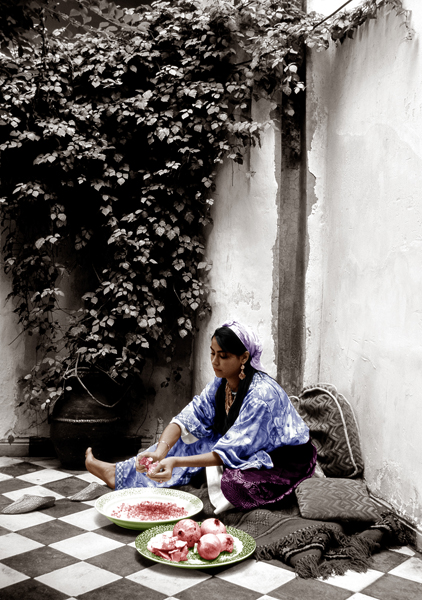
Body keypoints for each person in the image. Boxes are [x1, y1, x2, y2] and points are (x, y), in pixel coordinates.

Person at [85, 319, 317, 511]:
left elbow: (231, 450)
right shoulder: (220, 384)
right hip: (241, 447)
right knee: (189, 440)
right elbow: (186, 419)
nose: (215, 361)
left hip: (281, 460)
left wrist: (174, 462)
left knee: (234, 483)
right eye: (212, 353)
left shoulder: (262, 395)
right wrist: (160, 452)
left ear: (244, 358)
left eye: (223, 356)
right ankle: (118, 474)